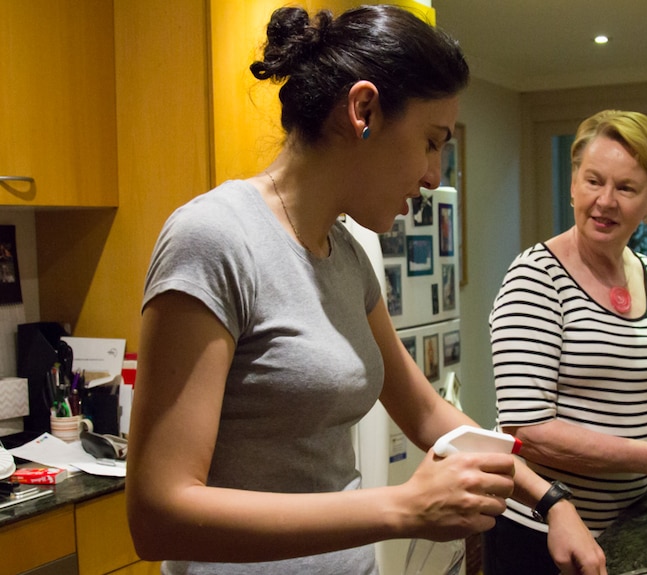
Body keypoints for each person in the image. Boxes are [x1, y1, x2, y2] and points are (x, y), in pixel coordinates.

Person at [125, 6, 606, 575]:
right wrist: (402, 507)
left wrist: (551, 502)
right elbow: (158, 514)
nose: (435, 176)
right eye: (432, 142)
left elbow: (427, 413)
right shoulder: (215, 240)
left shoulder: (346, 255)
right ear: (364, 110)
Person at [483, 110, 647, 575]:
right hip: (542, 532)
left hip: (629, 521)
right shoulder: (536, 278)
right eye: (593, 181)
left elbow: (640, 384)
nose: (605, 201)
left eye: (626, 188)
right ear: (573, 183)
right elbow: (528, 429)